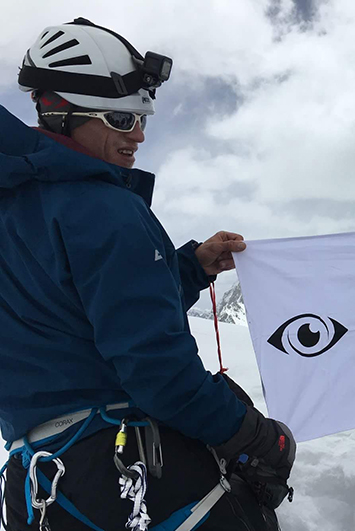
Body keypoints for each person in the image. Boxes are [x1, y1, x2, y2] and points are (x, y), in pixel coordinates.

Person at [0, 18, 294, 530]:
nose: (137, 134)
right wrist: (255, 439)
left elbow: (74, 315)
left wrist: (188, 268)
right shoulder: (102, 207)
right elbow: (156, 369)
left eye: (142, 117)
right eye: (119, 118)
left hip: (38, 483)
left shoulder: (16, 206)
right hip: (130, 471)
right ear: (59, 111)